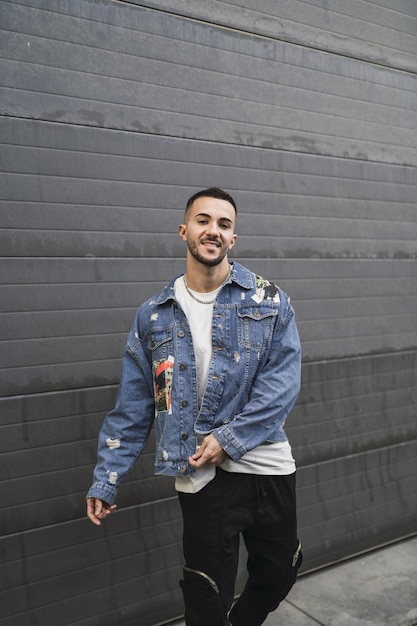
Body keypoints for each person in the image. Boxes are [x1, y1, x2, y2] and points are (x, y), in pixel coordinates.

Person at [86, 187, 302, 626]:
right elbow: (134, 406)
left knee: (280, 570)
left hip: (265, 464)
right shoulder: (153, 315)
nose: (213, 231)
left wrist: (228, 439)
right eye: (204, 221)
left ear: (233, 239)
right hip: (199, 473)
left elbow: (281, 387)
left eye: (224, 224)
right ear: (184, 230)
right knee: (206, 593)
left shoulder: (270, 300)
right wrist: (107, 478)